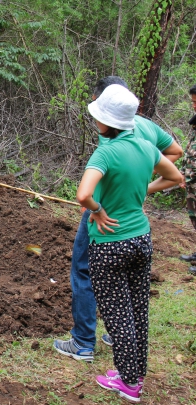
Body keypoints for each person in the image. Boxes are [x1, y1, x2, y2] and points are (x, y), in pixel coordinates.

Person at [54, 76, 183, 362]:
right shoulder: (146, 130)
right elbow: (176, 156)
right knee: (131, 282)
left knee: (84, 270)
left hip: (106, 217)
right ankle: (122, 336)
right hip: (136, 222)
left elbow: (84, 193)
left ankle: (83, 342)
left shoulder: (109, 140)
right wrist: (139, 187)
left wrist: (97, 207)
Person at [178, 84, 196, 273]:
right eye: (193, 102)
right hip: (192, 183)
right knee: (194, 217)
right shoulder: (194, 123)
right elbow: (190, 152)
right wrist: (183, 174)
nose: (194, 105)